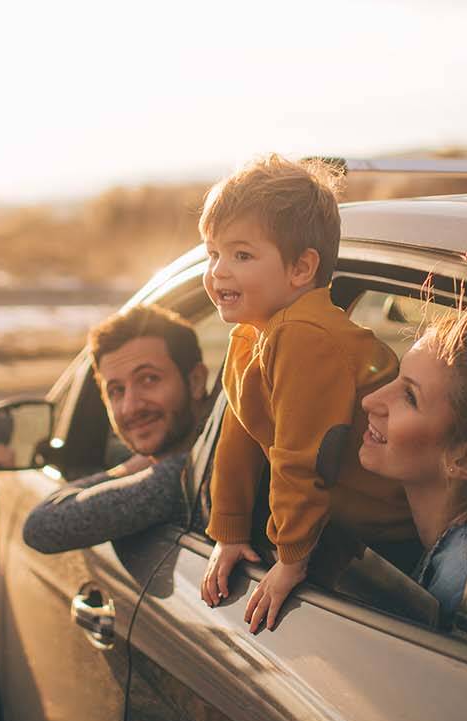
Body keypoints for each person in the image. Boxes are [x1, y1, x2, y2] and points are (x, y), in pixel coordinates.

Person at [197, 154, 416, 633]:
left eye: (242, 255)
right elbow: (239, 437)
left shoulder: (303, 336)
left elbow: (300, 456)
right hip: (346, 527)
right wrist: (230, 531)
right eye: (212, 254)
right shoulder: (254, 335)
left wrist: (290, 559)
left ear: (301, 268)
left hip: (390, 535)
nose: (218, 272)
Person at [358, 305, 467, 619]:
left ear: (466, 459)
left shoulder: (461, 582)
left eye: (410, 397)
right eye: (398, 376)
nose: (370, 401)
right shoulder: (463, 547)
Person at [21, 305, 211, 553]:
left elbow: (42, 527)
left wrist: (130, 468)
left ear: (196, 381)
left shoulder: (188, 475)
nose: (131, 407)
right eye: (116, 391)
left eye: (149, 379)